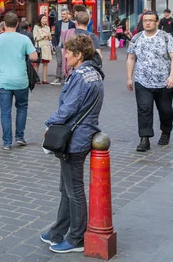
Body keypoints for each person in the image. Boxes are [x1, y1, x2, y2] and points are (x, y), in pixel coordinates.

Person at [41, 35, 104, 254]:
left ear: (78, 55)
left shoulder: (79, 75)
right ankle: (58, 230)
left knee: (73, 189)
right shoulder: (93, 72)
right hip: (80, 134)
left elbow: (69, 107)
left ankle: (76, 237)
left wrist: (49, 123)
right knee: (66, 186)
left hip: (75, 138)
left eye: (68, 52)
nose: (65, 55)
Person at [127, 11, 173, 152]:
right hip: (142, 81)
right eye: (145, 20)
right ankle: (144, 138)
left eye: (151, 20)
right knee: (144, 109)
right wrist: (129, 78)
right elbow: (131, 58)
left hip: (164, 82)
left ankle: (166, 131)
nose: (148, 23)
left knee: (165, 110)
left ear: (157, 22)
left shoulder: (166, 37)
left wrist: (172, 76)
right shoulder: (136, 38)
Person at [0, 12, 38, 150]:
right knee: (22, 107)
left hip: (3, 81)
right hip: (21, 80)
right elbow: (33, 57)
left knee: (5, 112)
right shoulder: (24, 39)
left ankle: (7, 142)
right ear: (17, 24)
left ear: (4, 24)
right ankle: (20, 137)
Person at [61, 11, 102, 78]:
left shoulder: (68, 34)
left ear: (76, 22)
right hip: (88, 71)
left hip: (71, 69)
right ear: (88, 22)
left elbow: (64, 51)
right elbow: (99, 56)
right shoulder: (92, 36)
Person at [51, 9, 76, 85]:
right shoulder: (58, 23)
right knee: (59, 62)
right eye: (62, 14)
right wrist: (55, 45)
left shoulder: (72, 24)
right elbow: (55, 35)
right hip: (59, 45)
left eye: (64, 14)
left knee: (68, 62)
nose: (62, 16)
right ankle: (58, 78)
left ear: (68, 15)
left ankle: (67, 77)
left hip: (68, 47)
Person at [33, 14, 52, 84]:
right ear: (40, 19)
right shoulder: (36, 27)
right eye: (43, 18)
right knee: (37, 63)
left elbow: (50, 37)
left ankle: (44, 79)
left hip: (46, 47)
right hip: (40, 47)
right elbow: (35, 38)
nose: (45, 20)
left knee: (45, 63)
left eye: (45, 18)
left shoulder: (48, 27)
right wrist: (43, 35)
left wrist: (49, 37)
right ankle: (36, 79)